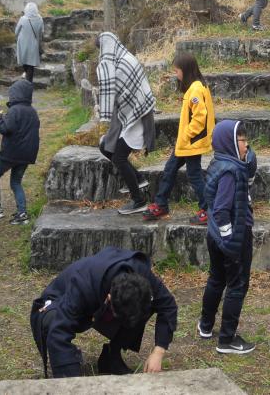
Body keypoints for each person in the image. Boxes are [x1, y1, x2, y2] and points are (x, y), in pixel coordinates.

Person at [30, 246, 178, 378]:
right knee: (51, 320)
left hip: (97, 304)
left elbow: (168, 305)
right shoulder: (82, 286)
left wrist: (158, 351)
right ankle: (67, 360)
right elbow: (58, 332)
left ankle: (111, 358)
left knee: (139, 307)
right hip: (56, 302)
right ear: (109, 298)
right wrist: (71, 383)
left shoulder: (141, 274)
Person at [199, 120, 257, 355]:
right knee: (237, 285)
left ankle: (205, 325)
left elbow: (249, 170)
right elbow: (222, 210)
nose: (246, 145)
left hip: (214, 234)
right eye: (242, 141)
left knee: (216, 279)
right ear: (231, 143)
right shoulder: (231, 172)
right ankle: (227, 339)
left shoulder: (219, 163)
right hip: (233, 236)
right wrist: (230, 238)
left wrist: (222, 235)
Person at [143, 52, 215, 224]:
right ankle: (161, 204)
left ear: (186, 70)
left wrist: (186, 134)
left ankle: (208, 209)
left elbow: (200, 118)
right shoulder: (196, 86)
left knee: (194, 174)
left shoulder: (196, 89)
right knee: (170, 169)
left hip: (191, 142)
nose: (176, 74)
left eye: (177, 71)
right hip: (186, 143)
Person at [96, 32, 156, 215]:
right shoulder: (123, 58)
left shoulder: (121, 64)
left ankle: (139, 201)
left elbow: (112, 90)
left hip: (138, 116)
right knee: (105, 147)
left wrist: (104, 113)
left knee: (119, 158)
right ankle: (138, 178)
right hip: (130, 116)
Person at [0, 79, 40, 225]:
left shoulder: (14, 110)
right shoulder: (33, 112)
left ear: (16, 93)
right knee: (16, 182)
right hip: (27, 154)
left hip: (11, 153)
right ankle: (22, 214)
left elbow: (5, 129)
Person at [16, 2, 43, 83]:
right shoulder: (40, 19)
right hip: (34, 44)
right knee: (31, 64)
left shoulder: (23, 19)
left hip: (22, 44)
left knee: (24, 62)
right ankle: (29, 82)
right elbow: (41, 33)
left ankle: (27, 78)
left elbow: (16, 32)